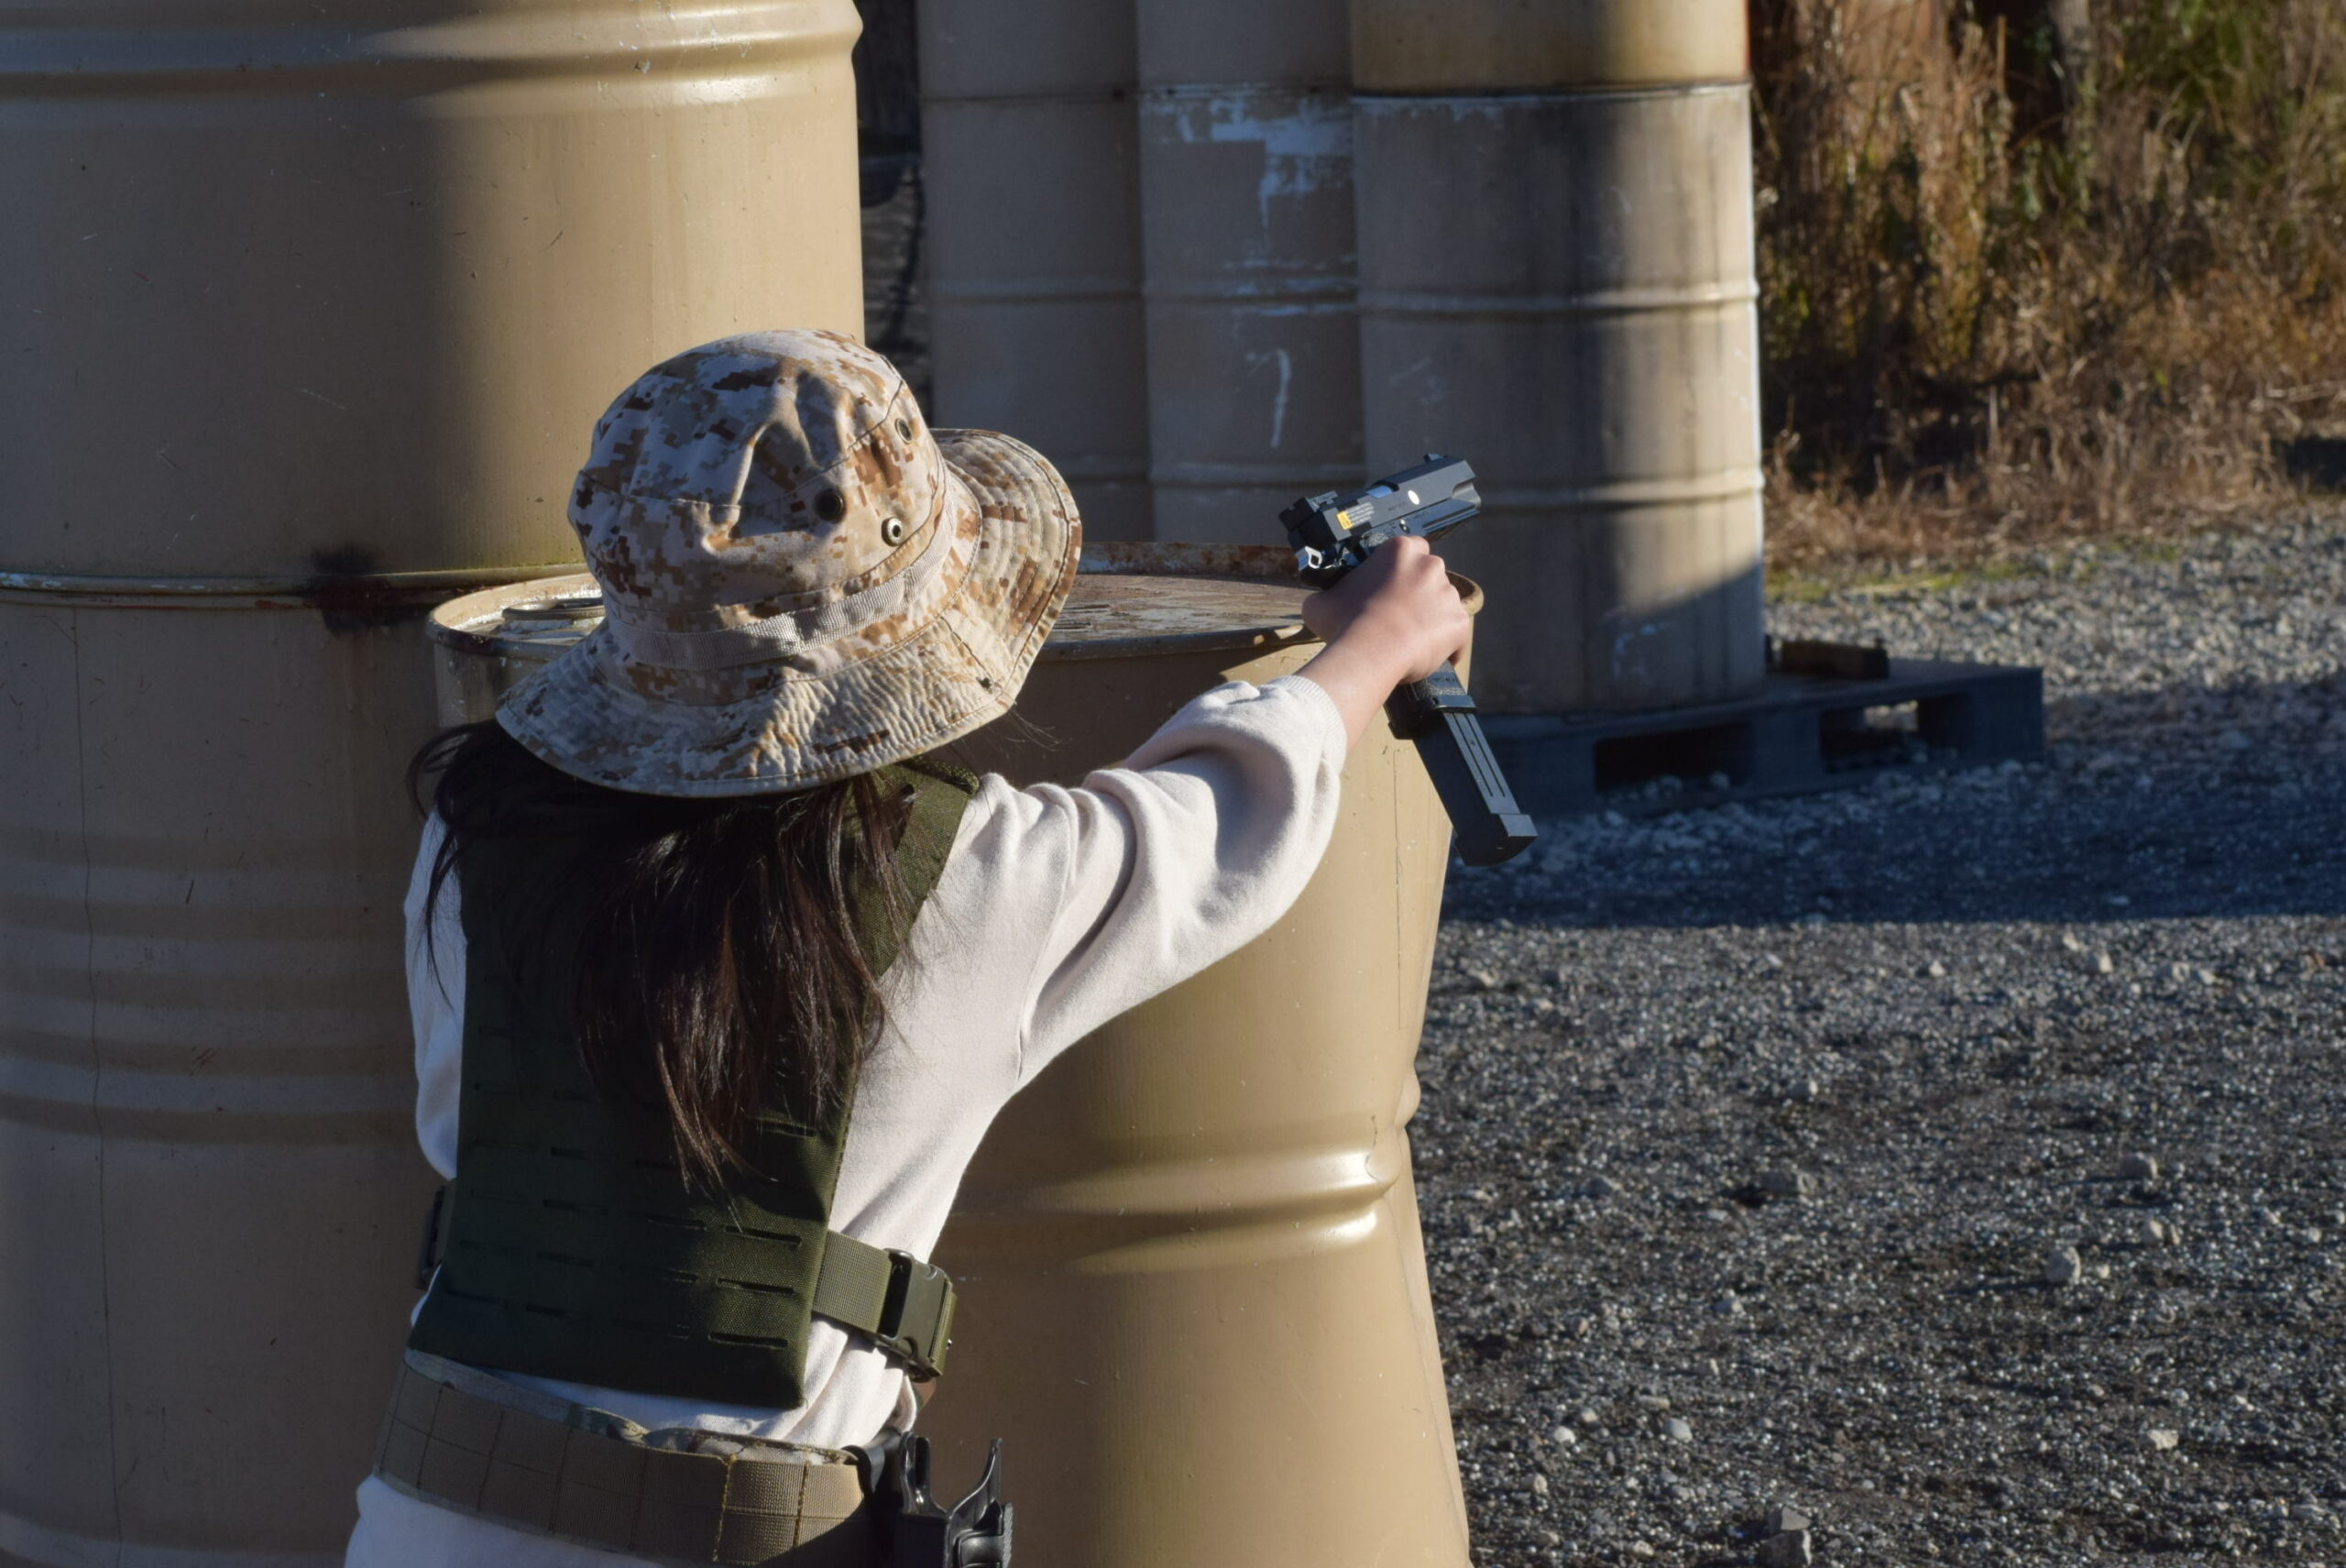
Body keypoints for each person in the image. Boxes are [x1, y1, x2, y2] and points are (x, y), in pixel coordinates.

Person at [344, 329, 1469, 1567]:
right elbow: (1223, 811)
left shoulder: (477, 829)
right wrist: (1375, 646)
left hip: (428, 1511)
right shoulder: (973, 880)